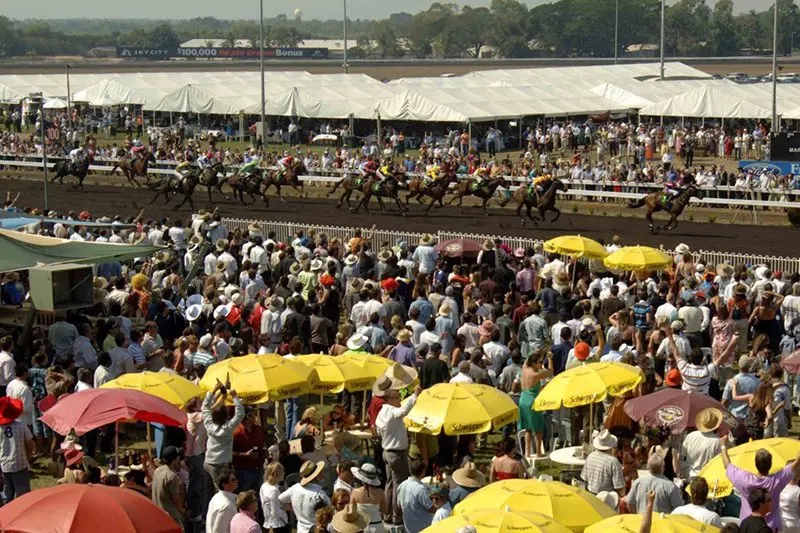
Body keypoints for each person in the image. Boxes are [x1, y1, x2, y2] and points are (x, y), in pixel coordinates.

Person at [721, 435, 800, 531]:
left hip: (747, 525)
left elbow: (727, 465)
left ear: (755, 463)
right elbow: (796, 463)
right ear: (771, 464)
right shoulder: (777, 480)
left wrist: (723, 446)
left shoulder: (744, 479)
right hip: (771, 527)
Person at [375, 384, 421, 525]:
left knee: (389, 484)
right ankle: (397, 516)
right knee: (398, 485)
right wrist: (415, 395)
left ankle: (387, 514)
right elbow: (402, 411)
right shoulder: (391, 411)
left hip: (387, 452)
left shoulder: (382, 412)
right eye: (397, 397)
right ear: (389, 399)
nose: (400, 400)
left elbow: (378, 431)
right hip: (396, 453)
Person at [203, 382, 245, 485]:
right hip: (221, 464)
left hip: (208, 462)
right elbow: (240, 414)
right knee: (222, 490)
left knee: (209, 489)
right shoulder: (228, 428)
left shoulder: (209, 424)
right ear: (226, 416)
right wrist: (235, 397)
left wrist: (214, 389)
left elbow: (205, 406)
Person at [515, 351, 552, 458]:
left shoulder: (524, 370)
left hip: (523, 400)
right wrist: (549, 358)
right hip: (532, 401)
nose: (541, 364)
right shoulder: (536, 374)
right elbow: (550, 372)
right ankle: (539, 452)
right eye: (540, 362)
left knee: (527, 428)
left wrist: (534, 353)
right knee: (538, 428)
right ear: (534, 363)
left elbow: (527, 361)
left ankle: (527, 452)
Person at [278, 460, 331, 533]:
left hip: (301, 530)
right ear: (316, 475)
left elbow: (280, 499)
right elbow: (329, 514)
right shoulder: (319, 494)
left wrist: (292, 509)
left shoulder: (295, 488)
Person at [0, 397, 34, 502]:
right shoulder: (20, 425)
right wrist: (32, 452)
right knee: (23, 496)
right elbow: (30, 443)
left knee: (7, 494)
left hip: (4, 465)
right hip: (19, 463)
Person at [677, 408, 723, 479]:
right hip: (707, 477)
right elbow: (719, 463)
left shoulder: (690, 436)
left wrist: (684, 471)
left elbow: (682, 457)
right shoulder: (718, 442)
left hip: (688, 474)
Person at [581, 429, 625, 498]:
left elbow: (585, 480)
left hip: (591, 496)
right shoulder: (613, 462)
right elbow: (620, 489)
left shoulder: (590, 456)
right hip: (608, 499)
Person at [151, 445, 186, 529]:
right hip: (169, 514)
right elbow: (176, 498)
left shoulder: (157, 470)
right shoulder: (171, 476)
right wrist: (182, 511)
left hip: (157, 511)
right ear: (175, 460)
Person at [396, 458, 435, 533]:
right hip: (423, 529)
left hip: (408, 529)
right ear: (423, 472)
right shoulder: (421, 489)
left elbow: (399, 506)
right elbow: (431, 509)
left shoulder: (402, 485)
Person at [232, 409, 264, 492]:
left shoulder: (258, 429)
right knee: (244, 497)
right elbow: (228, 452)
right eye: (253, 415)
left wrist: (265, 451)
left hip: (258, 468)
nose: (255, 418)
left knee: (258, 495)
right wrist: (244, 455)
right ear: (247, 417)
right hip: (243, 471)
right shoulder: (236, 432)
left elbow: (263, 443)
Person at [350, 463, 386, 533]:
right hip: (378, 526)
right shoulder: (381, 492)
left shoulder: (355, 492)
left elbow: (352, 511)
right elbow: (384, 511)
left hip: (362, 527)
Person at [260, 462, 289, 533]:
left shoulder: (263, 486)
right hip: (278, 524)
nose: (284, 473)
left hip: (268, 520)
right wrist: (286, 509)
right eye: (282, 472)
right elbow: (275, 512)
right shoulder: (275, 490)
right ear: (278, 474)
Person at [207, 467, 238, 533]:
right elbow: (219, 531)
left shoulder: (216, 496)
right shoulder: (227, 505)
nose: (237, 481)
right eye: (233, 480)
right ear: (224, 485)